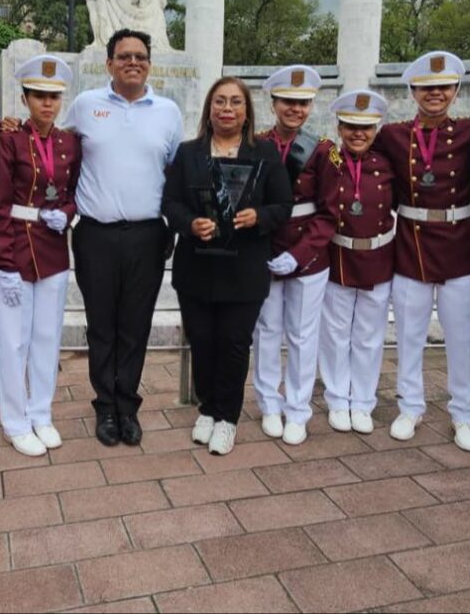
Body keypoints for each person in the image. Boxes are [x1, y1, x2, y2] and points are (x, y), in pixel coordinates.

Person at [65, 28, 183, 447]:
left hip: (147, 236)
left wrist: (174, 225)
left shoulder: (168, 112)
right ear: (109, 63)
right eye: (124, 56)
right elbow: (60, 156)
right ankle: (104, 408)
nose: (133, 62)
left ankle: (127, 407)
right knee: (101, 326)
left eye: (140, 56)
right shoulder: (85, 106)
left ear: (149, 63)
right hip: (95, 234)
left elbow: (174, 174)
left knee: (135, 326)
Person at [163, 78, 292, 454]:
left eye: (236, 102)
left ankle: (228, 418)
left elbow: (283, 206)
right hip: (197, 266)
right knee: (202, 341)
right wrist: (189, 224)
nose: (227, 108)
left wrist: (259, 216)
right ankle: (207, 407)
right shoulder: (189, 154)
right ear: (209, 109)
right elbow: (170, 204)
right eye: (219, 101)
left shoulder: (265, 154)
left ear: (247, 111)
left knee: (234, 344)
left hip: (245, 268)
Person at [374, 52, 470, 452]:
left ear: (455, 91)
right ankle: (410, 405)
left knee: (462, 338)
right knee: (409, 333)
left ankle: (464, 414)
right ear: (413, 92)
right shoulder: (393, 135)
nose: (435, 93)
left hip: (459, 242)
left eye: (443, 87)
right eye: (426, 87)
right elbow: (358, 159)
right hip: (411, 242)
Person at [0, 55, 82, 457]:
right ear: (24, 98)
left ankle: (41, 413)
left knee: (47, 337)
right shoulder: (9, 140)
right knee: (13, 341)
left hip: (53, 248)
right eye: (39, 96)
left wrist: (66, 214)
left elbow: (77, 191)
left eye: (54, 97)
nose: (47, 104)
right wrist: (4, 262)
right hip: (16, 245)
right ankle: (14, 420)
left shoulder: (69, 142)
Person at [252, 65, 337, 446]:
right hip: (266, 246)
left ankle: (298, 409)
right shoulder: (255, 144)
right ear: (273, 103)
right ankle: (269, 403)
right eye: (288, 102)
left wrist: (300, 254)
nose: (296, 109)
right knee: (267, 330)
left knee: (303, 334)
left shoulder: (322, 150)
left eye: (303, 104)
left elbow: (330, 213)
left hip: (309, 254)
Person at [318, 89, 395, 435]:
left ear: (376, 128)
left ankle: (363, 402)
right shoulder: (327, 160)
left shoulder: (388, 163)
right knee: (335, 334)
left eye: (365, 126)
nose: (358, 133)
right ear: (339, 126)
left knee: (368, 335)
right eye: (350, 125)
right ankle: (337, 399)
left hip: (378, 255)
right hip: (338, 255)